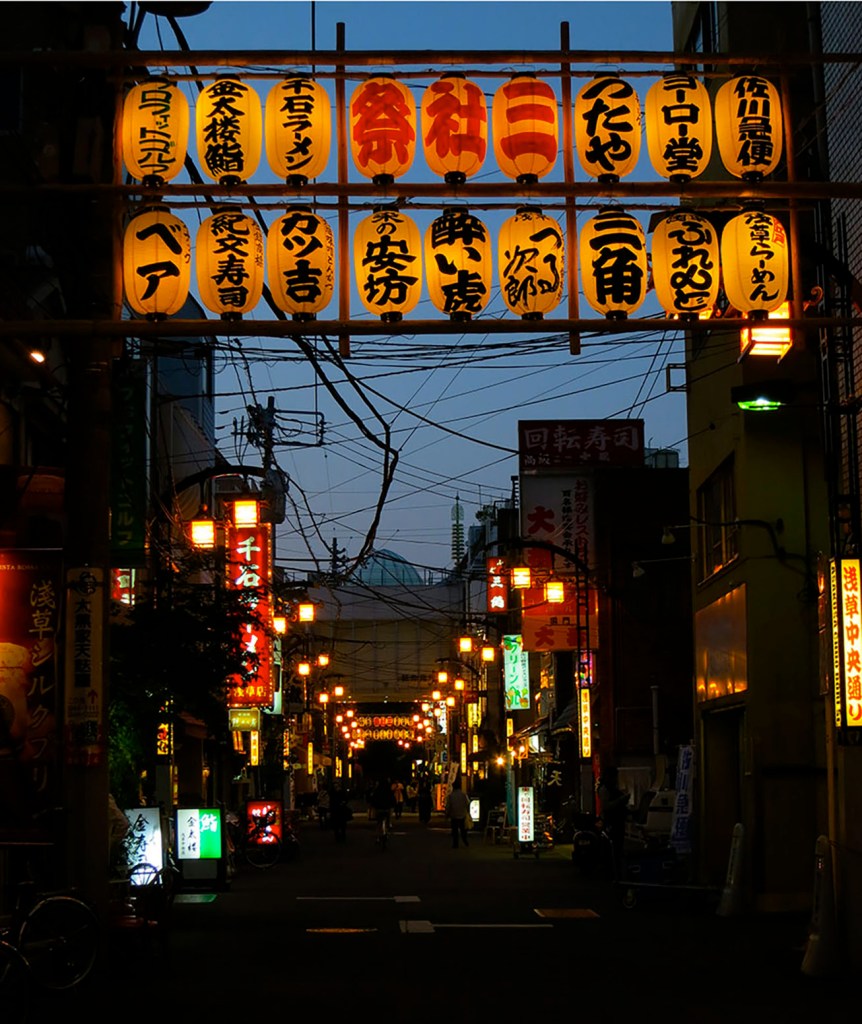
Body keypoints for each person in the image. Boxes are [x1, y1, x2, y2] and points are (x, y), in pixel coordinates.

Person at [596, 766, 630, 873]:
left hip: (617, 820)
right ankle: (612, 869)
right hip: (611, 821)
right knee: (613, 846)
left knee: (617, 846)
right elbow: (606, 806)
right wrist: (621, 800)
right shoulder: (604, 788)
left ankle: (614, 869)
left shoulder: (611, 787)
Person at [444, 779, 470, 849]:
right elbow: (468, 803)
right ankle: (465, 840)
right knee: (463, 829)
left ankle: (455, 844)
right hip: (462, 814)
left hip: (454, 814)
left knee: (455, 830)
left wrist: (447, 814)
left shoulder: (451, 796)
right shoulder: (463, 795)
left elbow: (448, 806)